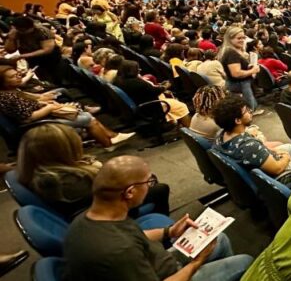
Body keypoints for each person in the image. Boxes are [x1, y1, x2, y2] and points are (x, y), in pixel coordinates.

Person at [62, 155, 253, 281]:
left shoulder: (89, 218)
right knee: (245, 261)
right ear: (130, 192)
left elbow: (135, 235)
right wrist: (197, 263)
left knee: (219, 239)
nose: (150, 186)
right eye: (148, 182)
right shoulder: (119, 251)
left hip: (156, 263)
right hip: (167, 275)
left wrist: (169, 231)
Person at [17, 123, 170, 217]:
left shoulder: (38, 170)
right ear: (62, 150)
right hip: (113, 215)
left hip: (92, 210)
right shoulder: (70, 182)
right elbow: (111, 198)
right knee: (159, 187)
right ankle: (163, 233)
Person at [0, 65, 133, 148]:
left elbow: (31, 103)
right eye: (13, 77)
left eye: (17, 74)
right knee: (87, 118)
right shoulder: (8, 97)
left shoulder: (13, 90)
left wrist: (45, 103)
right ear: (3, 82)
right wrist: (50, 107)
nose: (18, 77)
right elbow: (27, 118)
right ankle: (108, 143)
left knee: (84, 114)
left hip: (45, 115)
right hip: (37, 124)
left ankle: (112, 136)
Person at [213, 96, 291, 176]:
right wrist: (285, 158)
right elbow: (277, 169)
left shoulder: (220, 136)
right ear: (237, 120)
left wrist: (272, 151)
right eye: (246, 111)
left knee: (290, 148)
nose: (250, 112)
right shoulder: (249, 146)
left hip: (257, 167)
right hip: (275, 176)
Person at [113, 60, 191, 127]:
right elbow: (154, 91)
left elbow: (148, 90)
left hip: (138, 104)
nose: (140, 70)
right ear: (132, 71)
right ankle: (190, 131)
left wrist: (160, 86)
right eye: (137, 69)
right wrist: (165, 87)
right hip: (149, 108)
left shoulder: (118, 80)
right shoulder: (137, 83)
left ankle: (173, 124)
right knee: (181, 106)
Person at [218, 27, 263, 115]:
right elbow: (236, 73)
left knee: (251, 106)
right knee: (248, 109)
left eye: (243, 37)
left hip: (242, 83)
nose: (242, 40)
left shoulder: (232, 50)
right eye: (239, 38)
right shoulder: (231, 53)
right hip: (240, 84)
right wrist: (253, 70)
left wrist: (248, 67)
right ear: (230, 39)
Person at [4, 16, 62, 82]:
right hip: (31, 58)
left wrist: (22, 56)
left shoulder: (42, 31)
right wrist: (11, 38)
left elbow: (47, 50)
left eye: (24, 31)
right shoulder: (16, 32)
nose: (22, 32)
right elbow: (10, 50)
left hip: (49, 57)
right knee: (41, 76)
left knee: (53, 76)